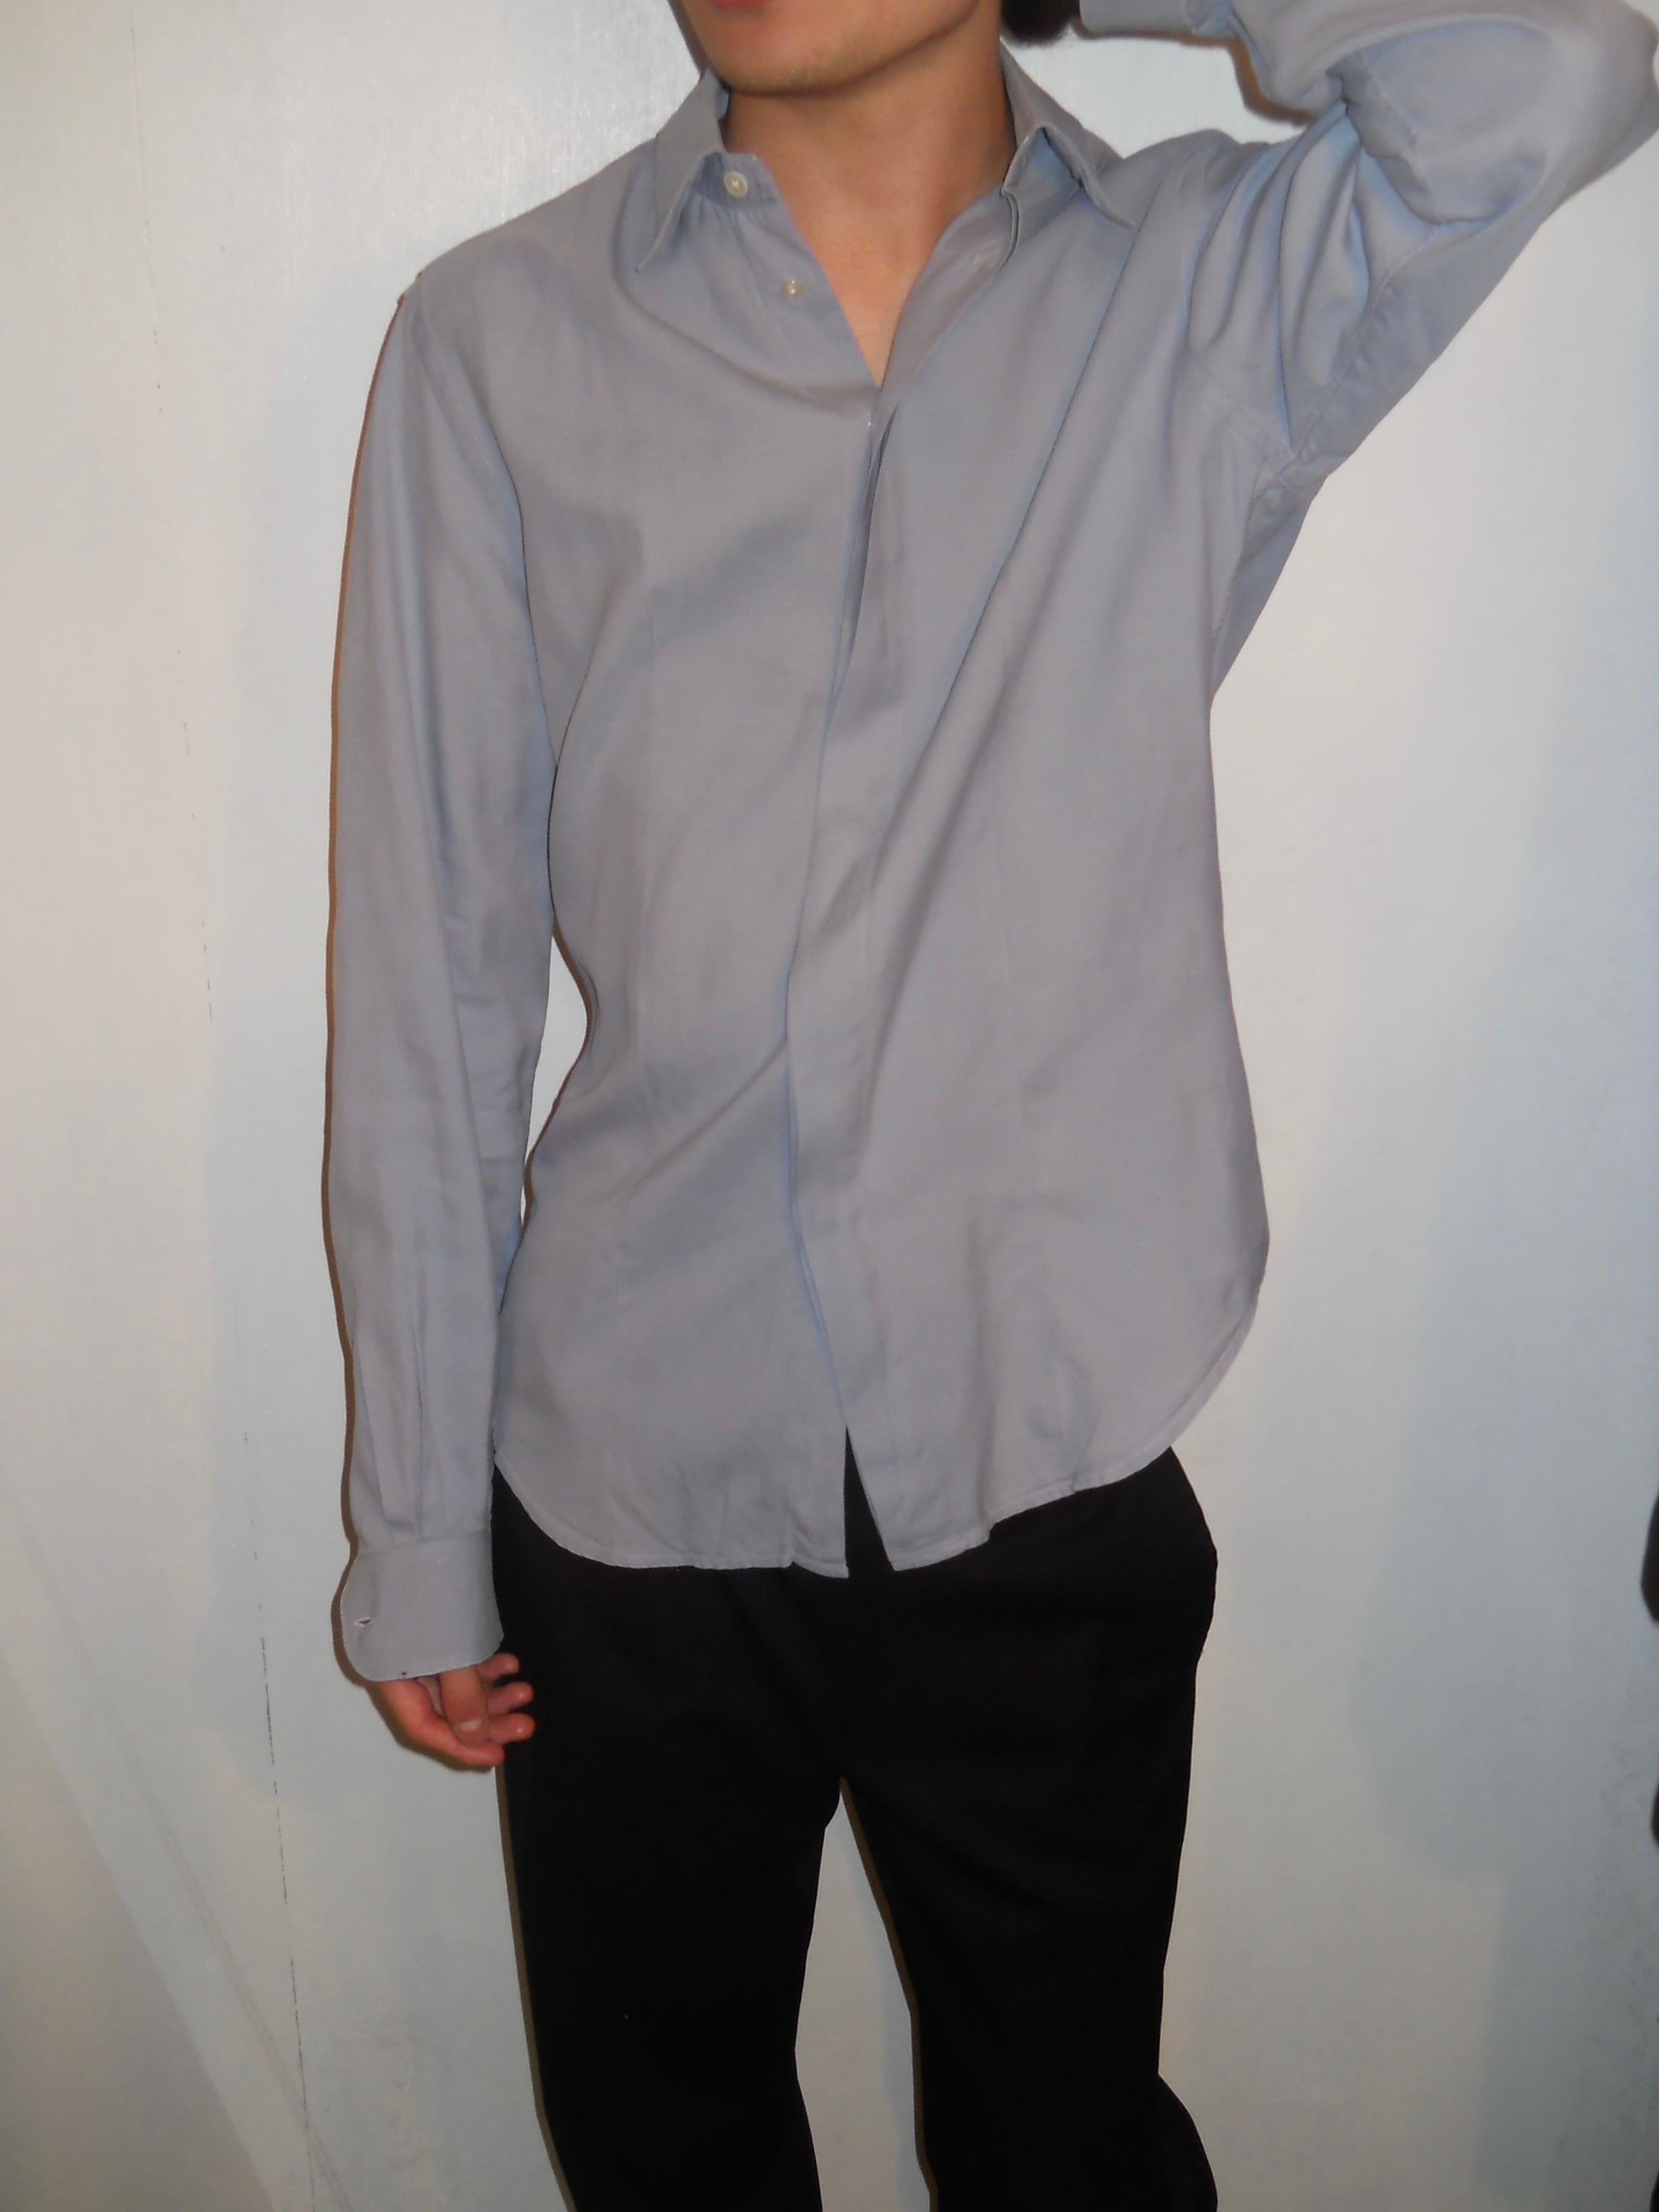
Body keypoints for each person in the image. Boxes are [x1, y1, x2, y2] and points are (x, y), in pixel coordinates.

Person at [327, 0, 1656, 2203]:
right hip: (634, 1487)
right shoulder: (496, 343)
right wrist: (413, 1537)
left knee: (1072, 2157)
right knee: (666, 2160)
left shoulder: (1197, 291)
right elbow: (429, 977)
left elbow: (1562, 71)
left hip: (1048, 1449)